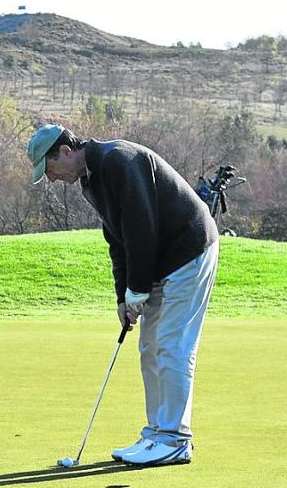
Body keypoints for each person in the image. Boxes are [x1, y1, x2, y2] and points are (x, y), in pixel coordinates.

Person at [27, 124, 219, 466]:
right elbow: (117, 239)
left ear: (66, 151)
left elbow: (140, 229)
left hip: (188, 250)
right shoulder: (91, 180)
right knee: (149, 347)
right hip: (162, 260)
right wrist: (123, 297)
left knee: (172, 346)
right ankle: (157, 434)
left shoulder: (119, 160)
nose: (52, 179)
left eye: (51, 169)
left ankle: (175, 439)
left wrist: (138, 290)